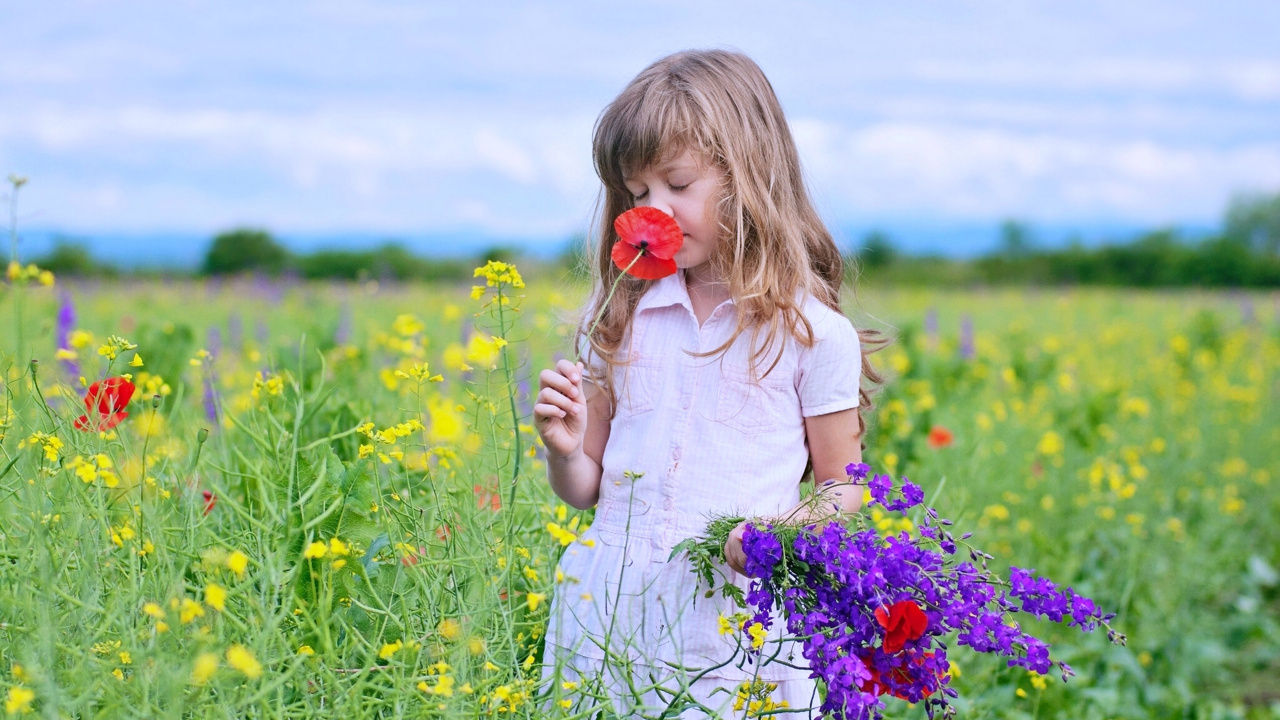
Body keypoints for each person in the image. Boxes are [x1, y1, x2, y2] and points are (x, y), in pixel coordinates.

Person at [533, 48, 886, 718]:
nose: (655, 210)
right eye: (638, 194)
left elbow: (846, 487)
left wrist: (774, 535)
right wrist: (565, 448)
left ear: (749, 175)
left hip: (734, 616)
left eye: (678, 183)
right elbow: (584, 492)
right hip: (610, 604)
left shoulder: (812, 333)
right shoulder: (617, 319)